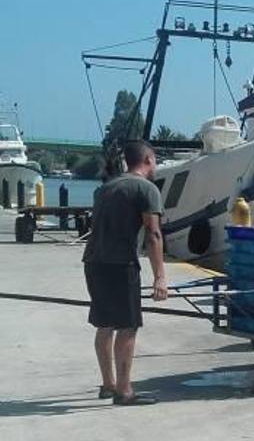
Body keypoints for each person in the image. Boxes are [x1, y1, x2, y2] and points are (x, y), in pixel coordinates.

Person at [82, 140, 168, 406]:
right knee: (128, 326)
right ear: (148, 159)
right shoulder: (146, 189)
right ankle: (124, 391)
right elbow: (153, 234)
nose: (156, 165)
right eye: (155, 160)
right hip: (121, 265)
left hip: (93, 262)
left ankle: (108, 385)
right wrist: (160, 276)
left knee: (104, 325)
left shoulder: (105, 189)